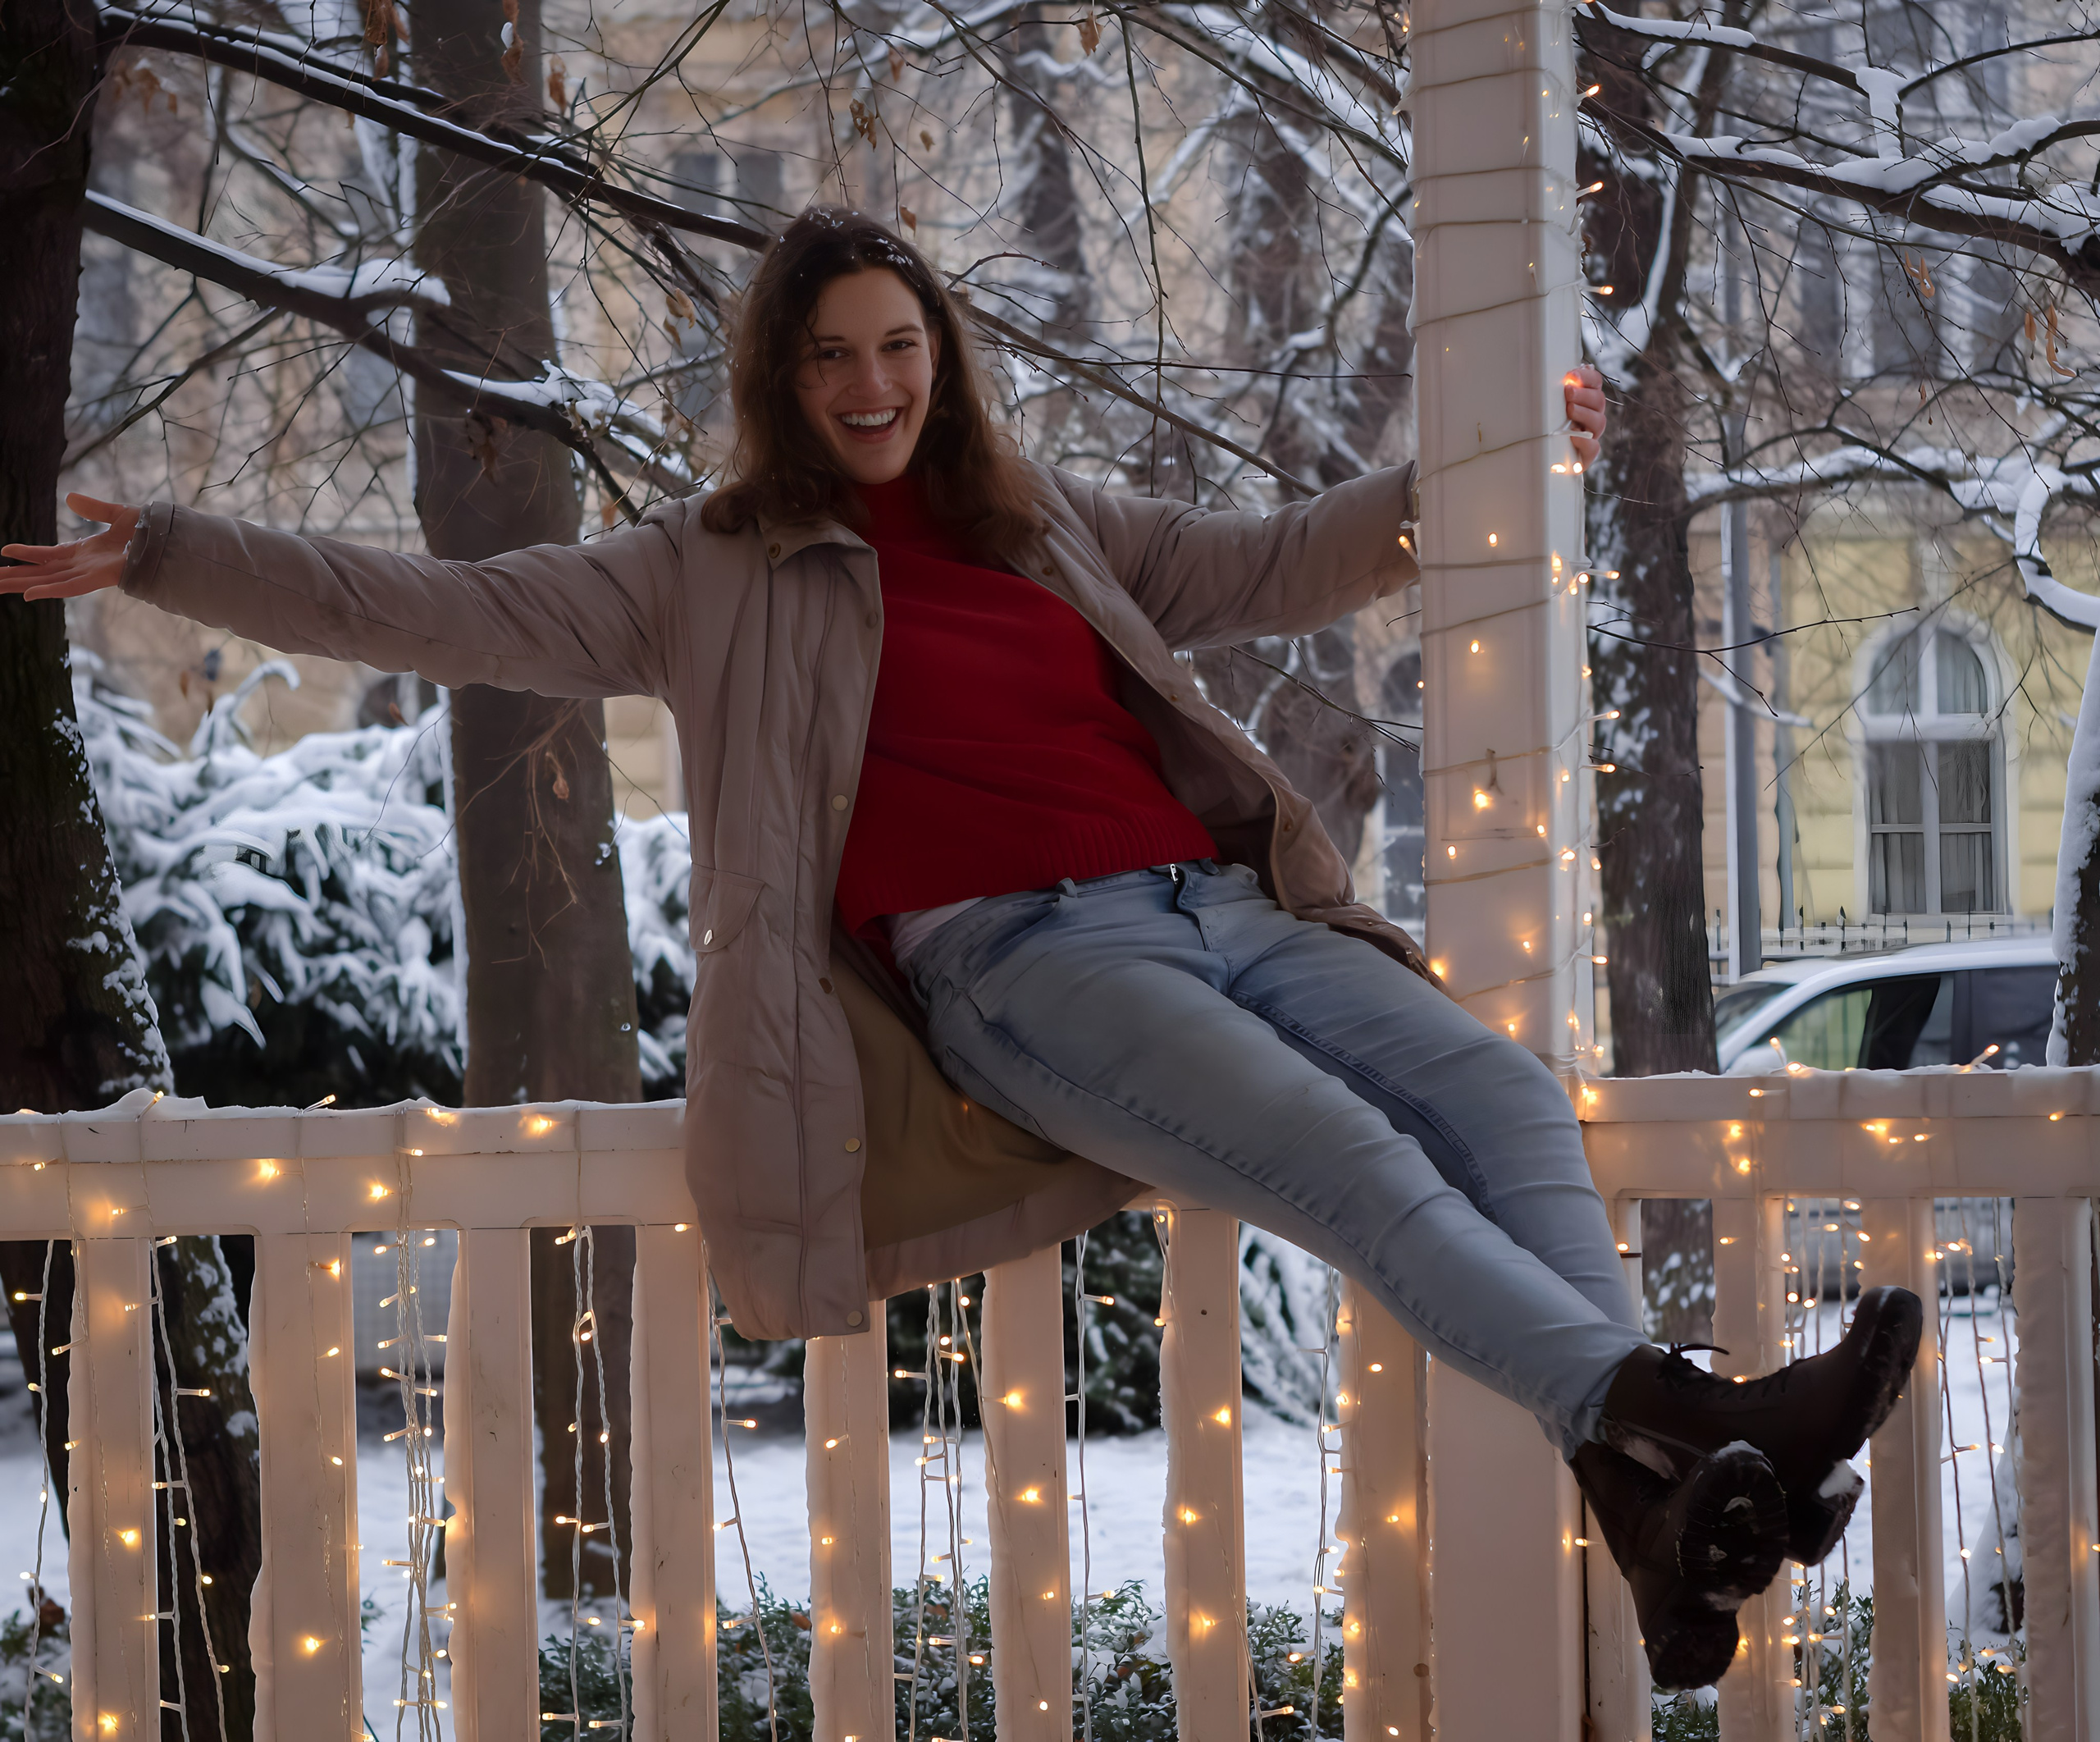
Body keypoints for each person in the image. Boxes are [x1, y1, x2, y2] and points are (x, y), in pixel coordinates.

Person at [2, 208, 1919, 1687]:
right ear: (782, 373)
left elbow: (1270, 564)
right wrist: (161, 549)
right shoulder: (706, 568)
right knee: (1347, 1166)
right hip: (1024, 968)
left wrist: (1481, 482)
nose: (870, 383)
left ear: (941, 358)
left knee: (1492, 1086)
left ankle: (1652, 1497)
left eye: (899, 346)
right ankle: (1693, 1423)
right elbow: (426, 603)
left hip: (1224, 901)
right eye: (832, 353)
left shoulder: (1033, 519)